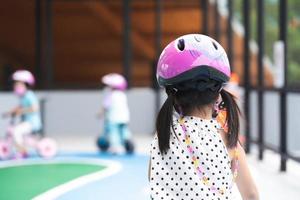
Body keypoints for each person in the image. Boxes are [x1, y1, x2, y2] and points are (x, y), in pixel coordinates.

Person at [149, 34, 259, 199]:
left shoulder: (162, 135)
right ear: (218, 95)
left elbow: (155, 182)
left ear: (173, 94)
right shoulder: (228, 139)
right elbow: (251, 194)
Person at [6, 70, 42, 157]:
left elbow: (35, 108)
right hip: (26, 122)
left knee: (16, 131)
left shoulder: (30, 95)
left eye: (18, 84)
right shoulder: (23, 97)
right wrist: (9, 112)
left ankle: (22, 151)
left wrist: (21, 111)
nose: (16, 86)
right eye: (15, 84)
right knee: (18, 132)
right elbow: (19, 107)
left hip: (32, 123)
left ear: (26, 85)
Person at [97, 73, 134, 154]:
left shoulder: (110, 95)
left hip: (113, 118)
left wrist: (100, 113)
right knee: (124, 130)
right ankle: (127, 140)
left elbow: (105, 106)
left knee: (113, 132)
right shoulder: (122, 95)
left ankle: (116, 147)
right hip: (124, 118)